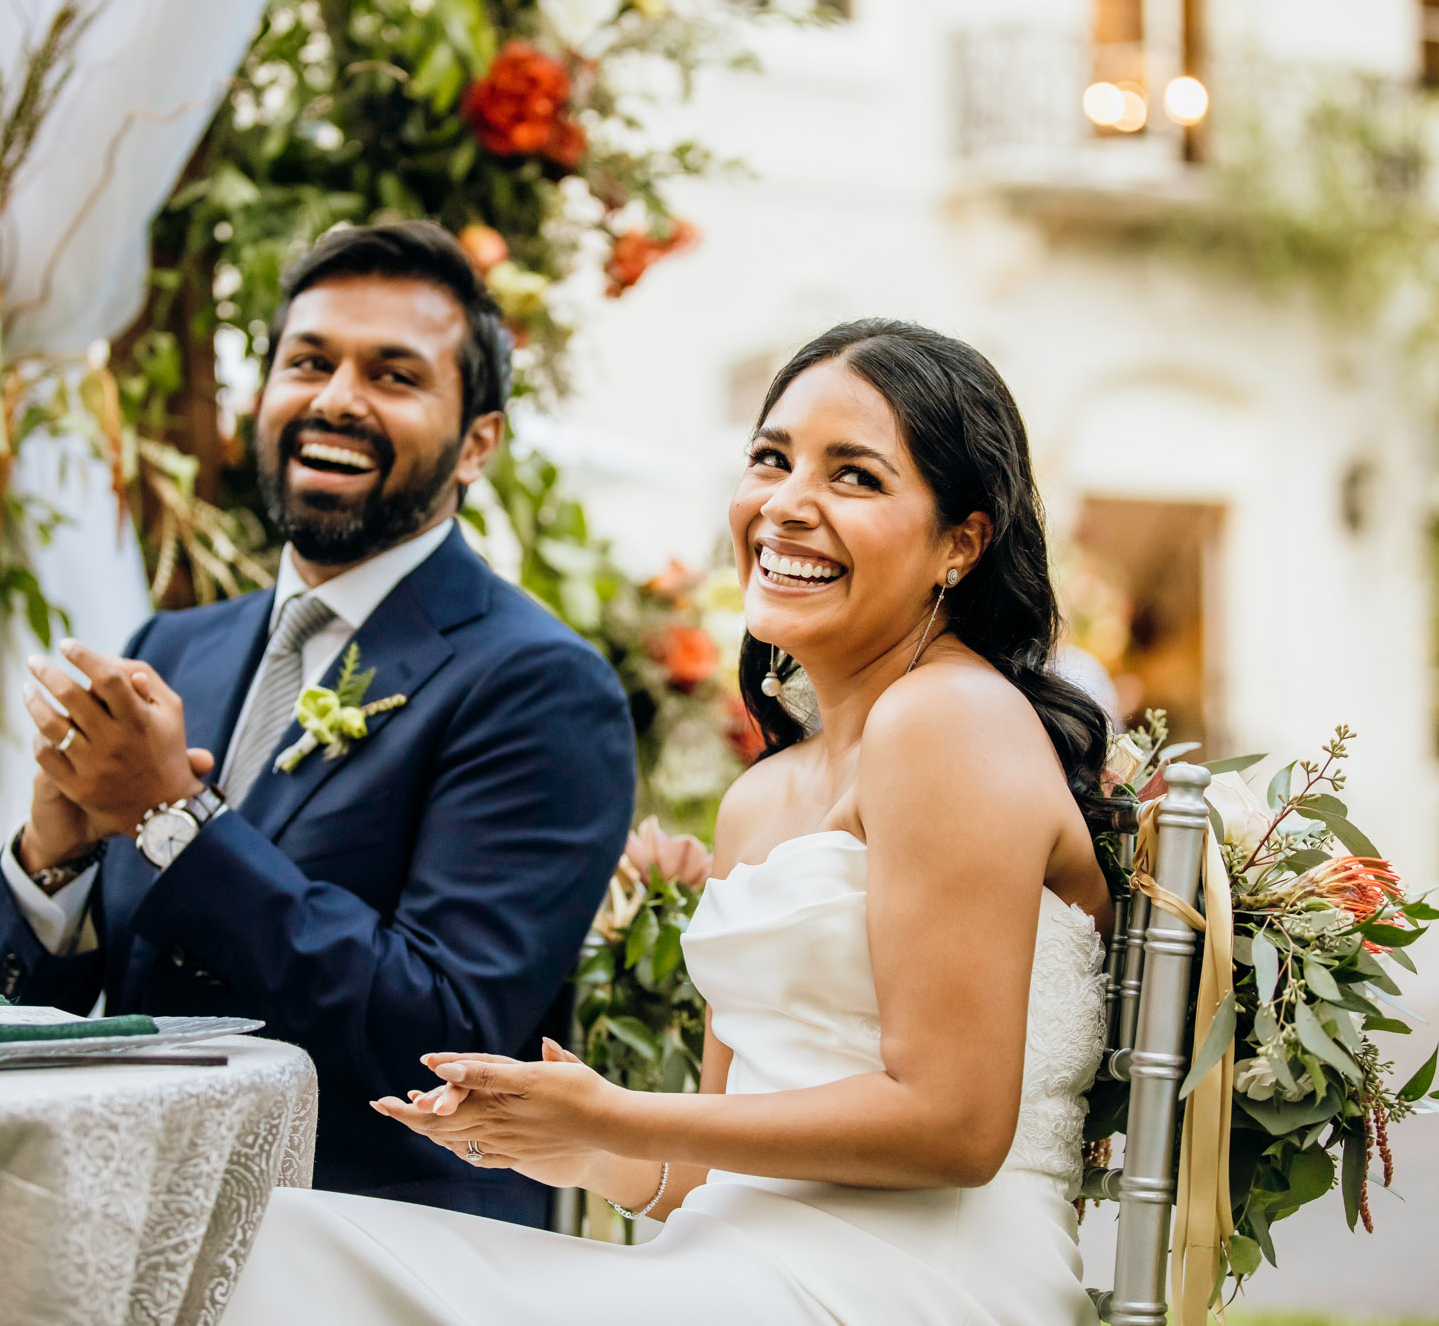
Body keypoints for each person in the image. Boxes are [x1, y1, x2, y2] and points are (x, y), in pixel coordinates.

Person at [224, 318, 1119, 1323]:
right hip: (726, 1266)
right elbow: (704, 1175)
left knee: (295, 1267)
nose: (786, 505)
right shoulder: (761, 796)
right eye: (769, 460)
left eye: (853, 477)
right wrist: (587, 1148)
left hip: (909, 1284)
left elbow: (953, 1124)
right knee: (281, 1236)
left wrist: (622, 1108)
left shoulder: (948, 717)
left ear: (960, 541)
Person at [0, 221, 637, 1228]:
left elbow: (448, 1038)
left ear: (475, 443)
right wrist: (53, 848)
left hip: (382, 1246)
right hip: (140, 1225)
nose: (334, 399)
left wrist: (173, 818)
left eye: (392, 374)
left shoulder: (539, 683)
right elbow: (7, 1015)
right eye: (307, 361)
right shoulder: (177, 647)